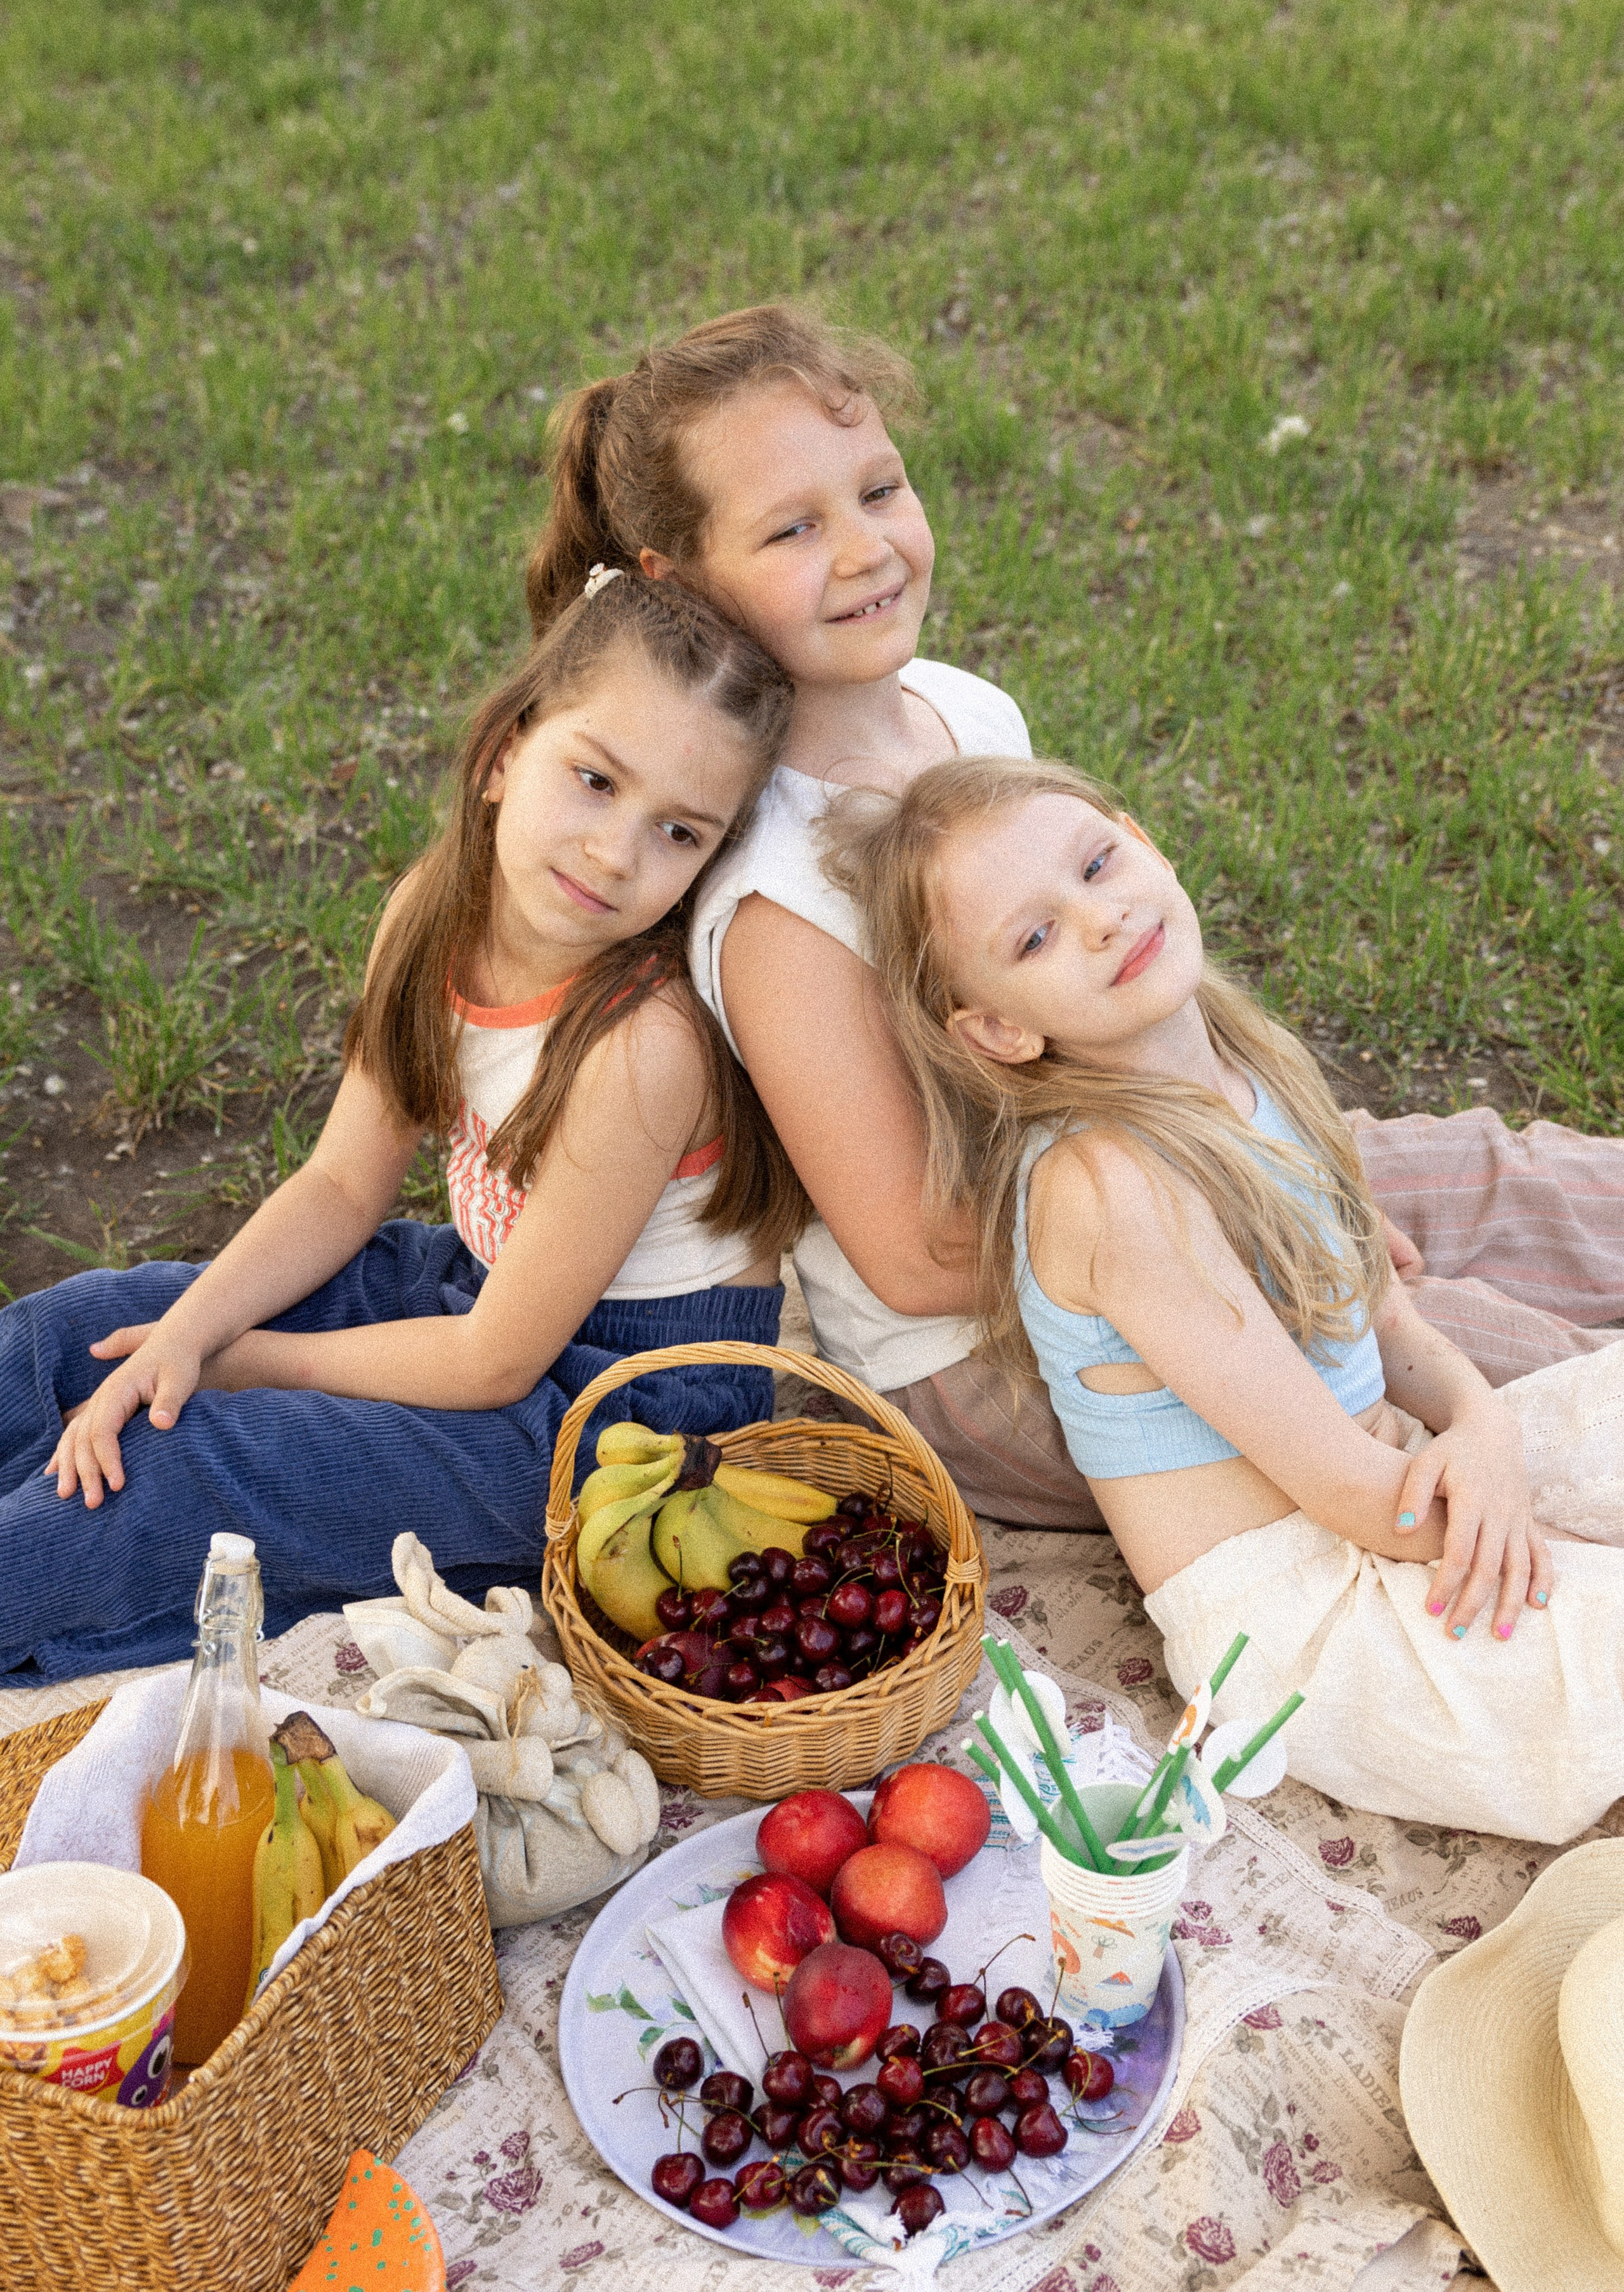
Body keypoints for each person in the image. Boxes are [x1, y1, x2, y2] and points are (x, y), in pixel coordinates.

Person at [524, 301, 1624, 1529]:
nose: (864, 550)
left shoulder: (957, 709)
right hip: (1009, 1338)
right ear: (680, 582)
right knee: (1493, 1361)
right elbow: (913, 1252)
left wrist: (1290, 1164)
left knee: (1486, 1180)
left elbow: (1121, 1022)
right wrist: (1266, 1215)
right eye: (792, 528)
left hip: (1162, 1146)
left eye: (878, 490)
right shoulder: (774, 896)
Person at [0, 573, 801, 1682]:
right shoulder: (434, 916)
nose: (617, 853)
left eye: (677, 830)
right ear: (502, 755)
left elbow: (492, 1364)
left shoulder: (638, 1049)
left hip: (613, 1420)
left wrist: (242, 1364)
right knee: (90, 1326)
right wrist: (187, 1329)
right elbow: (339, 1186)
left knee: (198, 1463)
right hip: (479, 1289)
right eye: (594, 779)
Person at [825, 753, 1624, 1840]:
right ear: (1000, 1030)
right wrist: (1520, 1521)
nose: (1101, 919)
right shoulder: (1110, 1187)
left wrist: (1483, 1424)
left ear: (1143, 838)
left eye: (1099, 864)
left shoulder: (1255, 1058)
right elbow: (1347, 1494)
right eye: (1036, 936)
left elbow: (1389, 1320)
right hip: (1305, 1614)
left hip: (1385, 1475)